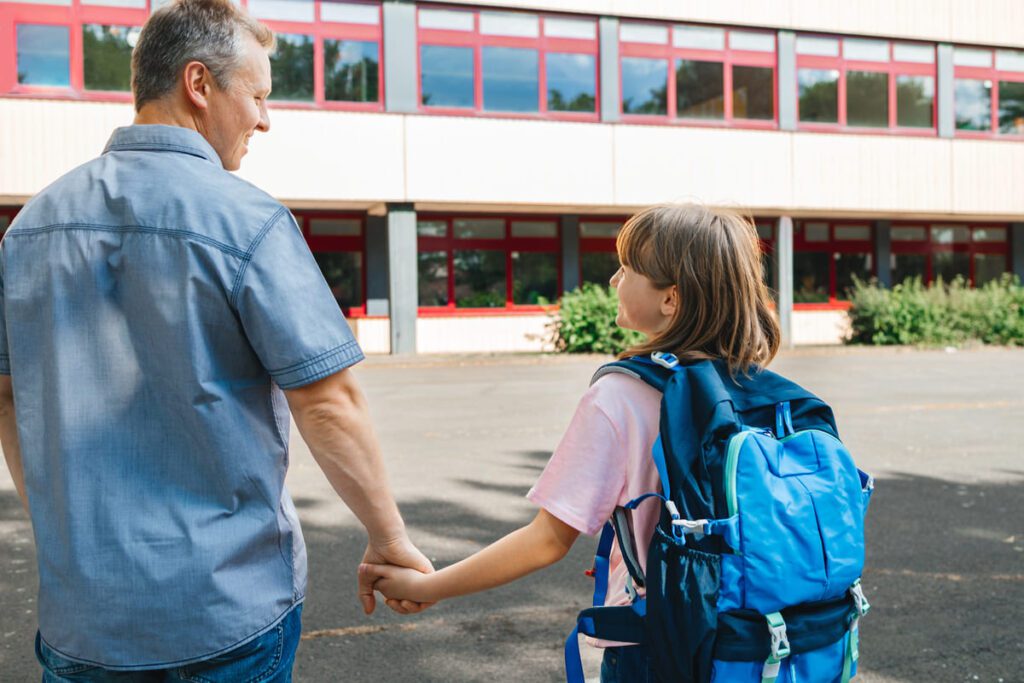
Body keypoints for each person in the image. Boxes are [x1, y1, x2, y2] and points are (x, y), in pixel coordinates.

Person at [0, 0, 429, 680]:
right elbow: (327, 403)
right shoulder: (247, 220)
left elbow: (7, 397)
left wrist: (71, 532)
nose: (265, 119)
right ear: (199, 84)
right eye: (258, 95)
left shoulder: (29, 228)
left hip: (83, 621)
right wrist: (389, 538)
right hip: (223, 613)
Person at [360, 203, 781, 683]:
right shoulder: (758, 386)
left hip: (659, 645)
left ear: (671, 299)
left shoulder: (621, 396)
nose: (614, 280)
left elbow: (546, 540)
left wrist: (430, 586)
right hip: (759, 638)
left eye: (627, 268)